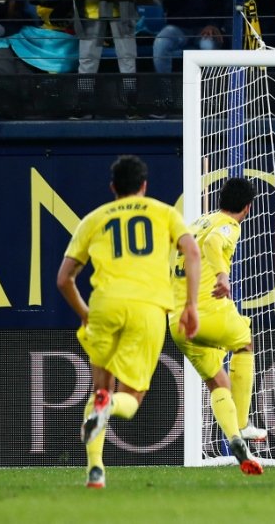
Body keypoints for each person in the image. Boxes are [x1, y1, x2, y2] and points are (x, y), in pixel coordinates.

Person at [56, 155, 201, 490]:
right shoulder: (164, 212)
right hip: (147, 308)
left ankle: (95, 470)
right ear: (144, 185)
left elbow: (64, 279)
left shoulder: (94, 219)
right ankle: (108, 408)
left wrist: (85, 314)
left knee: (100, 390)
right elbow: (192, 252)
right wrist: (191, 305)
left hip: (104, 306)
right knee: (130, 400)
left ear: (113, 188)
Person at [168, 176, 265, 475]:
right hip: (206, 312)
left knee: (218, 383)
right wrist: (222, 276)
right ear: (247, 208)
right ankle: (242, 424)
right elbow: (213, 243)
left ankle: (235, 441)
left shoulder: (198, 222)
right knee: (245, 343)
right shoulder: (229, 225)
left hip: (178, 322)